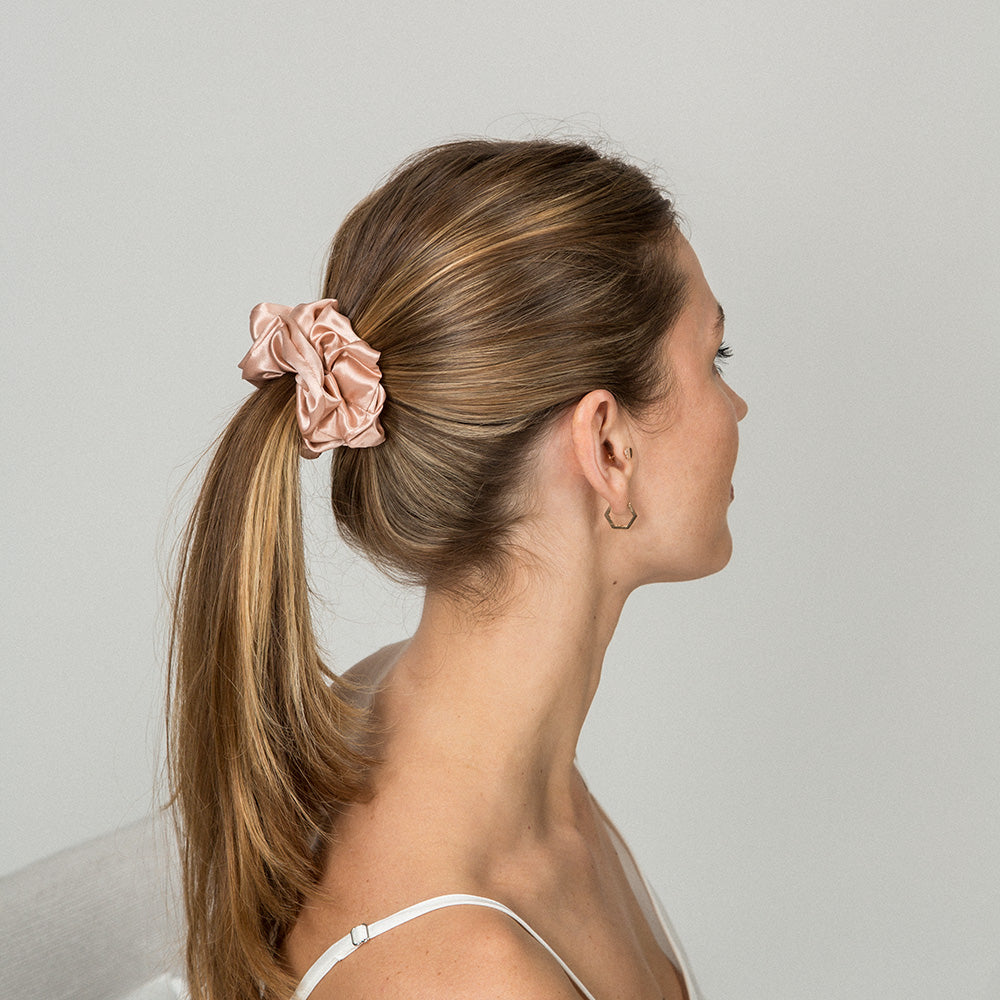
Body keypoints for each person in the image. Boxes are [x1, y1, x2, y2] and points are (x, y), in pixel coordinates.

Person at [167, 137, 747, 1000]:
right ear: (608, 447)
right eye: (714, 360)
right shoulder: (478, 974)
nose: (739, 406)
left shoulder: (396, 713)